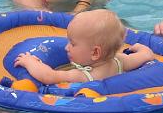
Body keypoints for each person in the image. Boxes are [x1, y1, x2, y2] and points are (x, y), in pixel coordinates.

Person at [14, 10, 154, 84]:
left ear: (95, 53)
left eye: (72, 44)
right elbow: (146, 55)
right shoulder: (119, 61)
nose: (66, 47)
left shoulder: (84, 76)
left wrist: (30, 62)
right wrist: (140, 48)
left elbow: (50, 76)